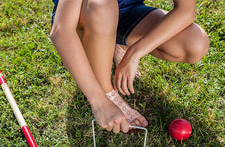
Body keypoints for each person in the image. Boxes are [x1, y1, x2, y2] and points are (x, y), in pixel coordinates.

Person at [50, 0, 209, 134]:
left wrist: (135, 52)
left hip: (127, 10)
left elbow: (185, 11)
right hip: (86, 13)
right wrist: (98, 101)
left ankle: (118, 45)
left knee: (195, 43)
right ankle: (107, 93)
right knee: (101, 5)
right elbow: (61, 30)